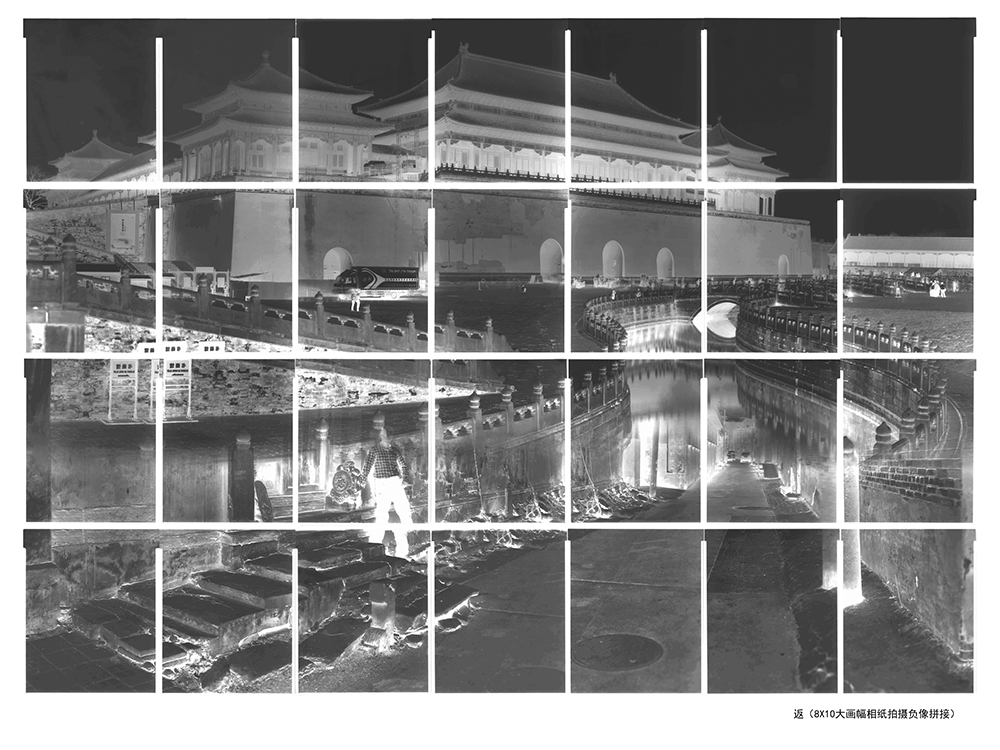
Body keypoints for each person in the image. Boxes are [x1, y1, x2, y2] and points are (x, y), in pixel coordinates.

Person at [362, 427, 412, 557]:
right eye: (385, 435)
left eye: (389, 435)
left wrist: (404, 478)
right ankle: (375, 545)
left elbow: (403, 465)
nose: (387, 438)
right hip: (382, 483)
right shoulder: (374, 451)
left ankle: (404, 546)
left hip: (395, 481)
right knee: (382, 514)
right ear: (381, 437)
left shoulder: (394, 450)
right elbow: (367, 467)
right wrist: (362, 481)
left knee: (403, 507)